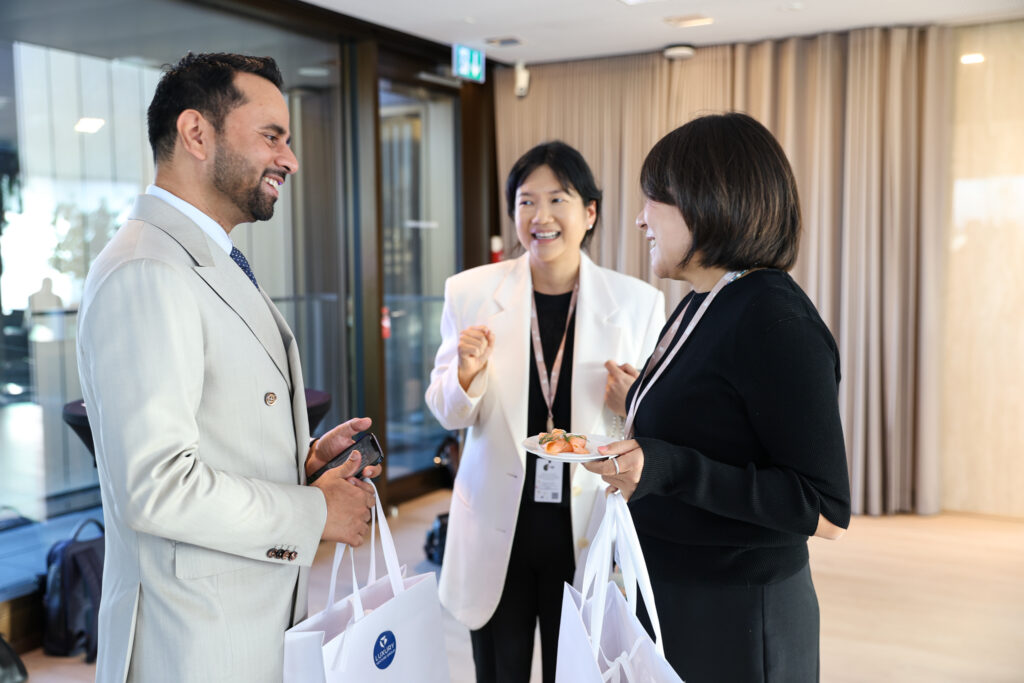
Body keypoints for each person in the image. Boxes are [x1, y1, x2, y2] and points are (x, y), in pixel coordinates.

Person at [76, 53, 380, 683]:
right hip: (194, 644)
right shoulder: (148, 269)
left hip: (241, 623)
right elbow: (156, 485)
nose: (290, 159)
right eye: (272, 136)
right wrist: (314, 513)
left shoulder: (206, 257)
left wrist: (302, 463)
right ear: (196, 133)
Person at [585, 113, 852, 682]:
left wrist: (665, 466)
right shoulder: (705, 302)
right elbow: (720, 421)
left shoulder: (774, 319)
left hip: (736, 613)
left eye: (654, 199)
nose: (640, 218)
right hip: (679, 591)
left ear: (708, 200)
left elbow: (824, 510)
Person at [425, 141, 666, 683]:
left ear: (590, 212)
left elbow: (655, 429)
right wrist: (465, 375)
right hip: (497, 531)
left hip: (584, 531)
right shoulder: (470, 291)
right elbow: (446, 412)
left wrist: (633, 404)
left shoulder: (637, 304)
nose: (541, 216)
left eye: (558, 199)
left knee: (576, 672)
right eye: (526, 201)